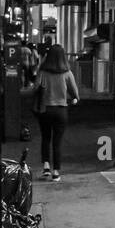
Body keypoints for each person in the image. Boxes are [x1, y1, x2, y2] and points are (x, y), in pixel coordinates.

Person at [30, 44, 78, 182]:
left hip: (44, 110)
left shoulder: (42, 72)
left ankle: (46, 166)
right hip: (61, 110)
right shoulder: (67, 73)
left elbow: (35, 89)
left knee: (46, 138)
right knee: (57, 142)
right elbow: (75, 94)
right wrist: (73, 100)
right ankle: (56, 172)